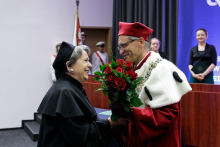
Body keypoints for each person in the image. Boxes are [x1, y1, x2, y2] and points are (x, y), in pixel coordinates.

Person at [116, 22, 192, 147]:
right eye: (120, 47)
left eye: (124, 45)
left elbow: (168, 115)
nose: (121, 51)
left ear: (140, 42)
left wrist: (131, 112)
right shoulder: (135, 67)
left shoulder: (162, 68)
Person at [37, 42, 126, 147]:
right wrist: (110, 123)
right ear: (69, 66)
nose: (90, 65)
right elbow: (82, 137)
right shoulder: (65, 92)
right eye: (85, 61)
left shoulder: (69, 87)